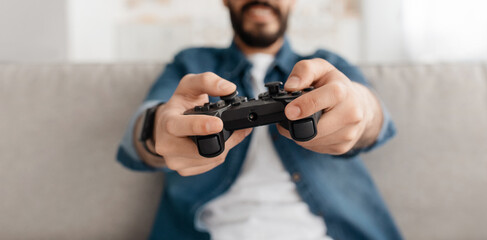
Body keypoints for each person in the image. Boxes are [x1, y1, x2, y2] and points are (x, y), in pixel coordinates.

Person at [117, 0, 402, 239]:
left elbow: (378, 120)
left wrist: (362, 108)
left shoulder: (328, 66)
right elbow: (142, 132)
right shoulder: (191, 64)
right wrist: (159, 130)